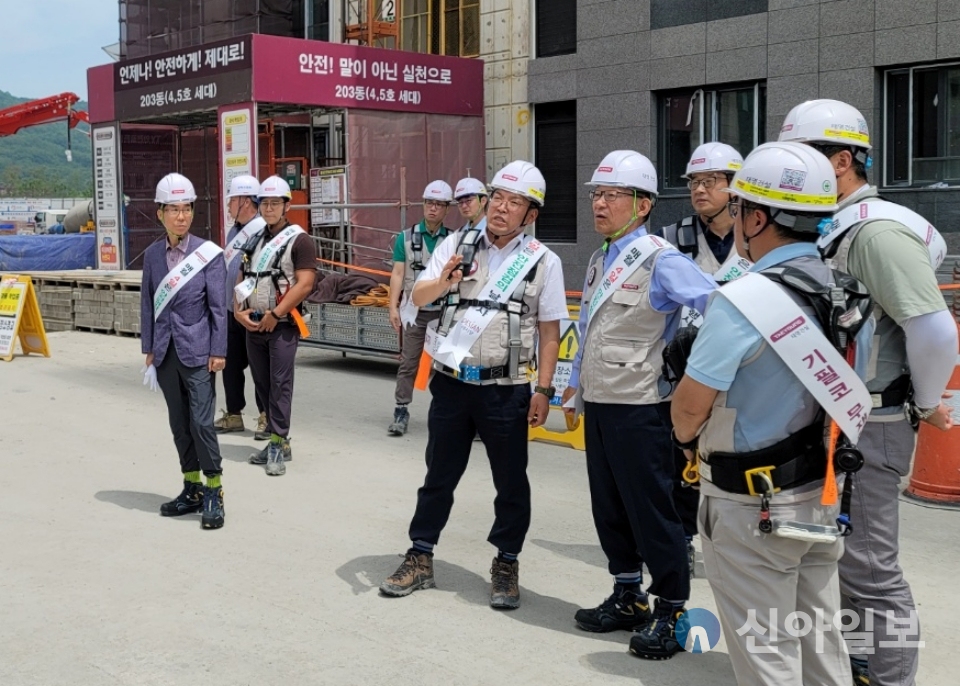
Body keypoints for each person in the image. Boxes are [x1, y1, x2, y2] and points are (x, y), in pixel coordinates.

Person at [671, 141, 873, 685]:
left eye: (738, 209)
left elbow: (687, 414)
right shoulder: (847, 294)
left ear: (756, 217)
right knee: (819, 641)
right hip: (820, 491)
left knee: (767, 655)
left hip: (748, 505)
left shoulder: (742, 300)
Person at [779, 99, 957, 686]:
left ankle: (889, 677)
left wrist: (926, 404)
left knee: (871, 569)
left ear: (843, 159)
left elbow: (932, 326)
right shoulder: (834, 226)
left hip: (872, 425)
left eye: (805, 159)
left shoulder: (875, 231)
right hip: (840, 420)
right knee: (841, 563)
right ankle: (859, 664)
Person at [378, 160, 566, 610]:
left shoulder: (543, 262)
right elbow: (418, 296)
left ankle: (506, 562)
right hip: (452, 383)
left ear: (531, 214)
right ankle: (420, 555)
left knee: (510, 482)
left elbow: (549, 332)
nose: (501, 208)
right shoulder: (456, 244)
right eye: (497, 197)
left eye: (514, 202)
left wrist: (543, 390)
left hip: (507, 389)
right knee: (438, 475)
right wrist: (443, 281)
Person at [559, 151, 717, 660]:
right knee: (609, 505)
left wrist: (697, 370)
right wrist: (573, 386)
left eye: (611, 195)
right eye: (596, 195)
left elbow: (717, 307)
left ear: (643, 204)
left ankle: (671, 607)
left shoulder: (661, 258)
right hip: (601, 401)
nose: (599, 204)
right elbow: (589, 328)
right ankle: (627, 593)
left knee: (653, 509)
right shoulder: (600, 255)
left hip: (643, 406)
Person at [655, 141, 746, 575]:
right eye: (694, 181)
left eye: (711, 181)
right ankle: (684, 539)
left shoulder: (756, 237)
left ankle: (732, 542)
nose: (699, 189)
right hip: (687, 368)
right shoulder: (673, 239)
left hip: (743, 368)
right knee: (681, 458)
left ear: (736, 187)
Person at [140, 173, 228, 530]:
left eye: (187, 209)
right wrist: (148, 348)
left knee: (202, 423)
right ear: (160, 213)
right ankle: (190, 487)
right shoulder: (151, 256)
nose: (181, 216)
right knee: (179, 424)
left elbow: (219, 308)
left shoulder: (207, 255)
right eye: (174, 209)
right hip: (165, 353)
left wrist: (218, 350)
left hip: (199, 350)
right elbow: (147, 304)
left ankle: (214, 490)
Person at [235, 176, 318, 477]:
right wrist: (237, 310)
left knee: (280, 384)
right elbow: (245, 277)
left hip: (282, 324)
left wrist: (276, 312)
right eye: (264, 203)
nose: (268, 208)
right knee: (263, 384)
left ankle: (277, 441)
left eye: (274, 203)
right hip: (253, 324)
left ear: (287, 205)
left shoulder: (299, 239)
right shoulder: (255, 239)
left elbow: (305, 283)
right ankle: (278, 441)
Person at [387, 180, 454, 436]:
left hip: (444, 312)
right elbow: (397, 274)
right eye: (429, 203)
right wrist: (392, 307)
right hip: (415, 312)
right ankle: (401, 409)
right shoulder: (405, 237)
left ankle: (443, 412)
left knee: (444, 366)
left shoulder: (453, 239)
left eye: (439, 204)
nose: (433, 209)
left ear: (447, 209)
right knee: (409, 362)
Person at [214, 174, 267, 438]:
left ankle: (266, 416)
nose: (228, 206)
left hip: (252, 310)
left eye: (232, 200)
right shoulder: (235, 231)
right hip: (229, 310)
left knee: (259, 367)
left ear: (246, 201)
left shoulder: (261, 230)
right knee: (231, 365)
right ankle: (234, 414)